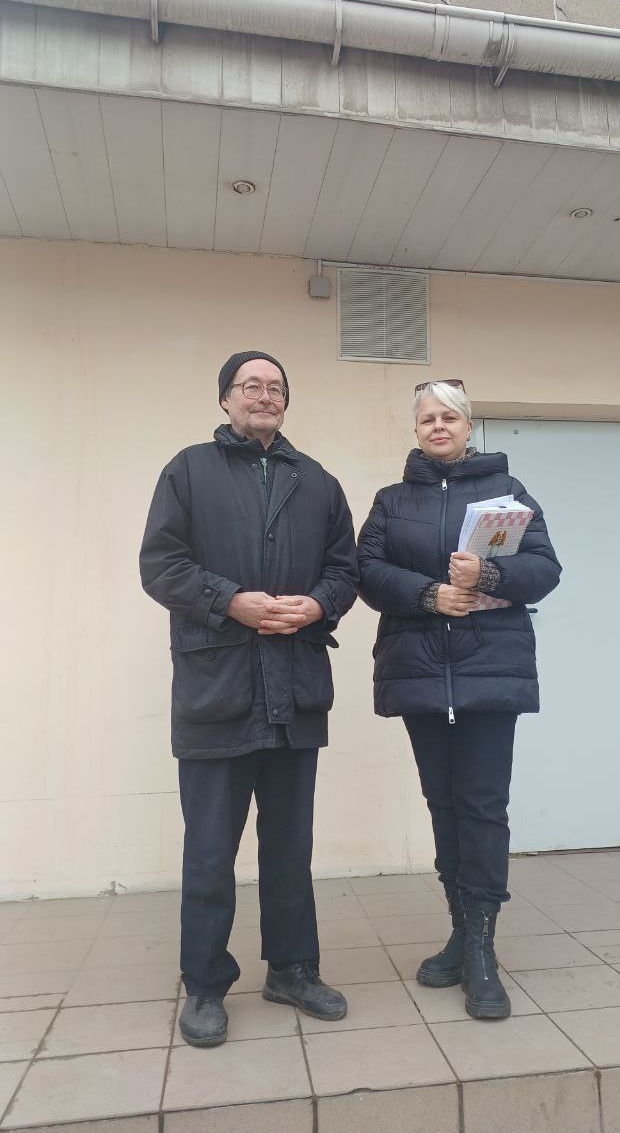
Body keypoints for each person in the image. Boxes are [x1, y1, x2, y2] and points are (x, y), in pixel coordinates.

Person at [140, 351, 358, 1047]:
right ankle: (205, 984)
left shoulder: (317, 482)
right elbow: (160, 565)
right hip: (218, 691)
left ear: (285, 403)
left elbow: (345, 570)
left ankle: (292, 969)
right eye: (251, 386)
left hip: (294, 691)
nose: (265, 396)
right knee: (210, 853)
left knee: (290, 848)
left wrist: (318, 604)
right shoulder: (187, 471)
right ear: (225, 399)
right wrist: (228, 600)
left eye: (276, 388)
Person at [357, 380, 561, 1020]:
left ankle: (482, 948)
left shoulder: (508, 494)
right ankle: (459, 931)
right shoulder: (392, 501)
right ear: (416, 430)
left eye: (449, 417)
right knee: (442, 803)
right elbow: (366, 570)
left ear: (468, 426)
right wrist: (429, 594)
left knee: (482, 806)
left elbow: (546, 569)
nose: (438, 426)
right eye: (427, 419)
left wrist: (488, 574)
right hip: (419, 672)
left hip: (488, 671)